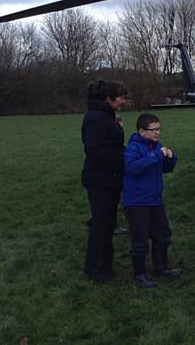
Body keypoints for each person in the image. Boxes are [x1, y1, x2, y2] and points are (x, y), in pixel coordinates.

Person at [122, 113, 181, 288]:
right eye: (153, 130)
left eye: (159, 129)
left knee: (162, 234)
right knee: (140, 239)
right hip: (137, 201)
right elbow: (132, 168)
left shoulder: (156, 145)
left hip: (155, 199)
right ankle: (139, 274)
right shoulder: (133, 148)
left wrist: (171, 158)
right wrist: (156, 156)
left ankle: (161, 267)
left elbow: (165, 168)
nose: (157, 133)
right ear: (141, 131)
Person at [81, 80, 127, 284]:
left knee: (107, 225)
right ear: (108, 99)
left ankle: (104, 266)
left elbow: (110, 144)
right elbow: (94, 149)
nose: (123, 101)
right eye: (121, 98)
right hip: (101, 180)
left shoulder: (105, 116)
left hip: (109, 179)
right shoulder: (96, 118)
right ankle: (95, 269)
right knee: (101, 225)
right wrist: (119, 163)